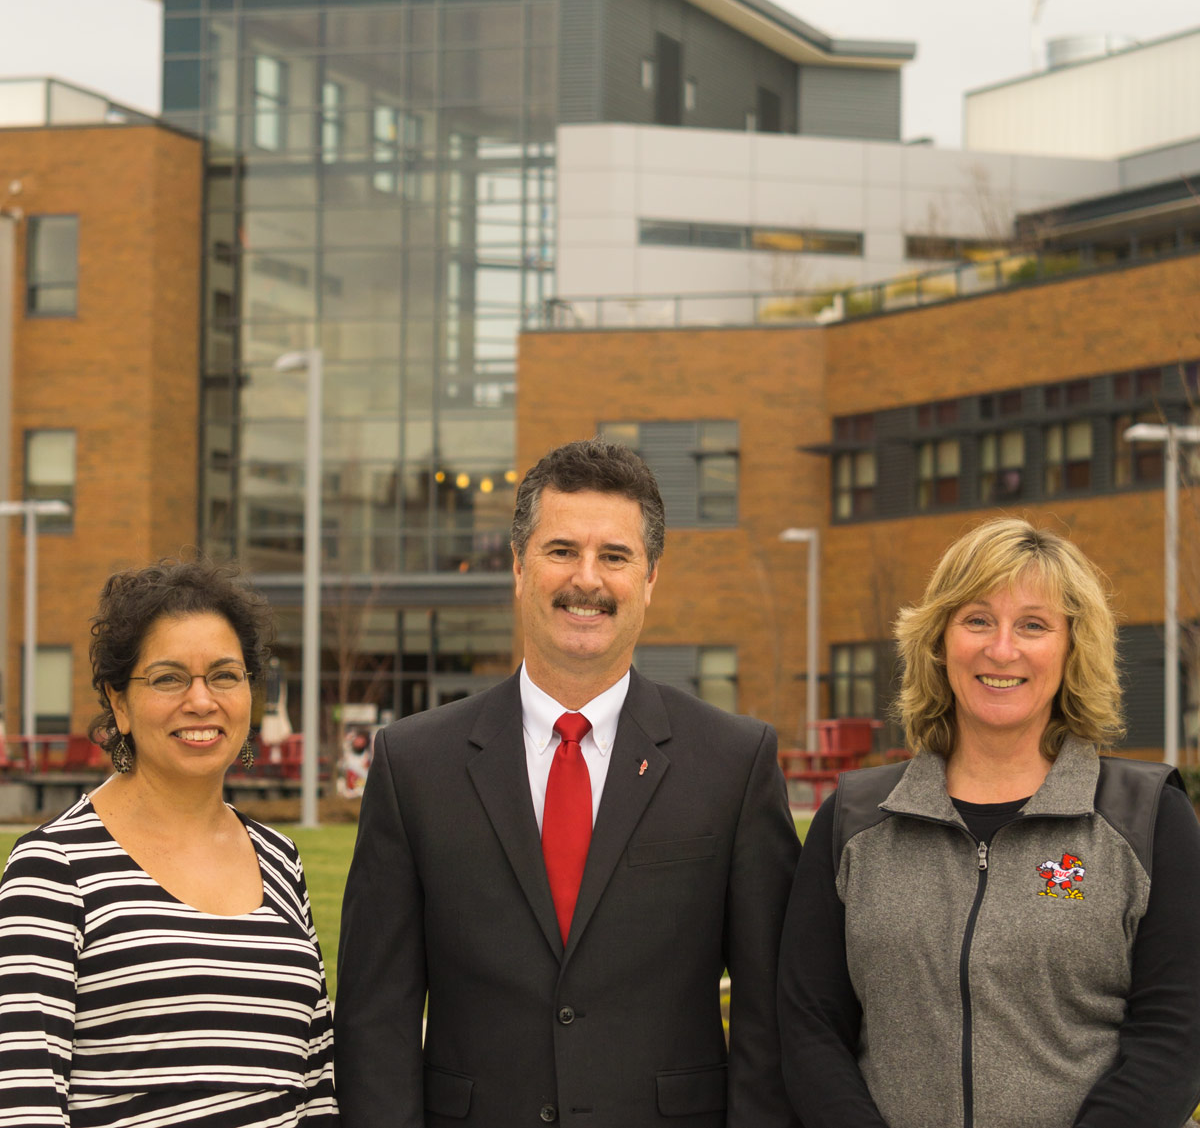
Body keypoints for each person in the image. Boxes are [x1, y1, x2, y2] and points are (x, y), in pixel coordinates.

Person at [336, 437, 800, 1128]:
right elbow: (377, 1018)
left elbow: (771, 1013)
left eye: (614, 555)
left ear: (649, 578)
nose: (587, 579)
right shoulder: (413, 764)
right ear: (520, 566)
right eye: (561, 551)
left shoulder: (735, 763)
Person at [777, 517, 1200, 1128]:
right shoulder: (855, 821)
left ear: (1072, 647)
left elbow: (1175, 1034)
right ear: (940, 640)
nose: (1002, 649)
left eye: (1033, 625)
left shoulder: (1148, 816)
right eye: (977, 620)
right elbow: (810, 1027)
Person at [0, 559, 338, 1127]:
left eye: (225, 676)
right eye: (168, 678)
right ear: (120, 703)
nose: (202, 701)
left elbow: (317, 1083)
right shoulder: (54, 870)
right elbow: (23, 1099)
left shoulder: (280, 861)